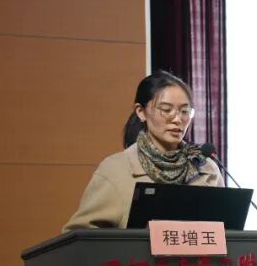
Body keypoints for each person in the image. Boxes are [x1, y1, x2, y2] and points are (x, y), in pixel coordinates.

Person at [63, 71, 224, 231]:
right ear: (141, 112)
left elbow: (228, 232)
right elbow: (80, 236)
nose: (177, 119)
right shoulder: (115, 170)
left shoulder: (207, 168)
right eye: (166, 109)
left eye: (184, 111)